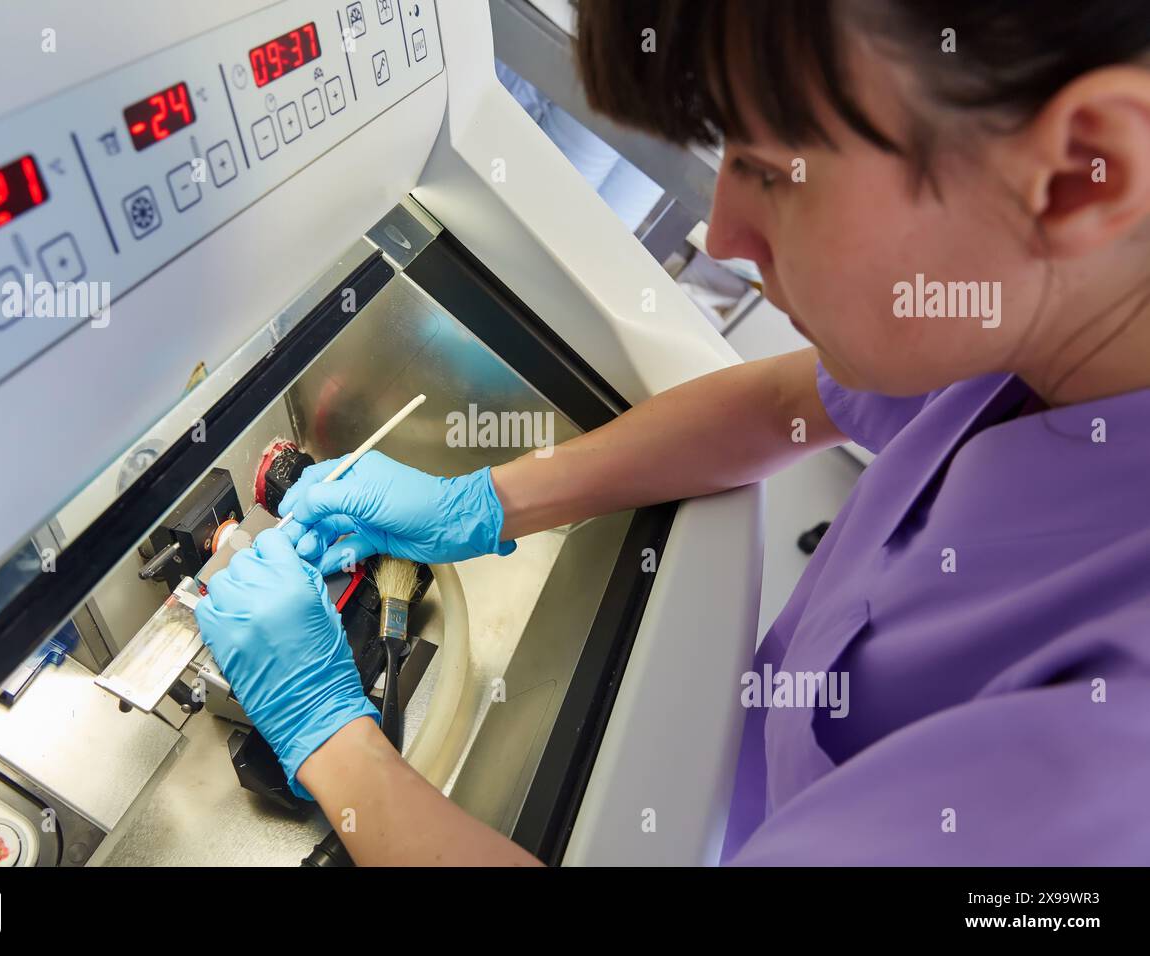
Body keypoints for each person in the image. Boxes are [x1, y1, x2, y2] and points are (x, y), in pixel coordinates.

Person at [195, 0, 1150, 865]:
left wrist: (327, 737)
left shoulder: (1098, 778)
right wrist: (482, 503)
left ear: (1080, 172)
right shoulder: (1052, 318)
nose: (721, 232)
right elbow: (777, 403)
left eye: (778, 172)